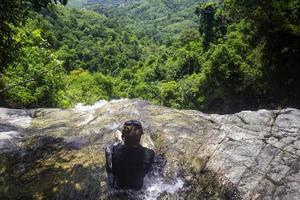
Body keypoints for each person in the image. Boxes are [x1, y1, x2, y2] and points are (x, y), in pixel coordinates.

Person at [105, 120, 155, 190]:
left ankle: (121, 141)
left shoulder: (110, 149)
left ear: (123, 135)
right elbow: (148, 172)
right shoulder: (149, 153)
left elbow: (109, 171)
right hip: (137, 190)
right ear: (141, 135)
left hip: (117, 188)